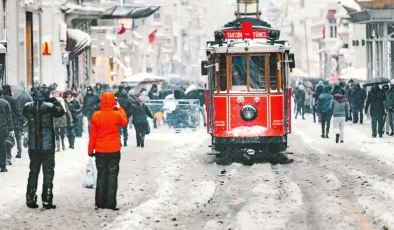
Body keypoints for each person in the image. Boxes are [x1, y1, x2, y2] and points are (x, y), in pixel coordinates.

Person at [23, 85, 65, 209]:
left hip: (33, 144)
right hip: (47, 145)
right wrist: (52, 99)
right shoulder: (50, 107)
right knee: (48, 172)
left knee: (33, 171)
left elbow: (24, 114)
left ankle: (30, 197)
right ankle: (47, 199)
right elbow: (61, 111)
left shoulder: (28, 107)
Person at [88, 92, 128, 210]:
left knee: (101, 174)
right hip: (114, 149)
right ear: (113, 102)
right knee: (112, 175)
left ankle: (100, 202)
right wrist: (120, 108)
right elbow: (124, 122)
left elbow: (93, 135)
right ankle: (110, 203)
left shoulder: (96, 115)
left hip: (100, 150)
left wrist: (90, 150)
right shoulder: (116, 115)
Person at [3, 85, 23, 163]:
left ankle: (5, 156)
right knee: (12, 139)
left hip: (3, 123)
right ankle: (11, 155)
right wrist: (21, 120)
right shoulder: (12, 100)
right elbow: (17, 111)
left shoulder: (2, 99)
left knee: (3, 140)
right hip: (13, 122)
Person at [0, 87, 14, 172]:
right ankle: (3, 166)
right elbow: (9, 117)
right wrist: (11, 129)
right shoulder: (5, 103)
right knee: (2, 147)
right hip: (3, 128)